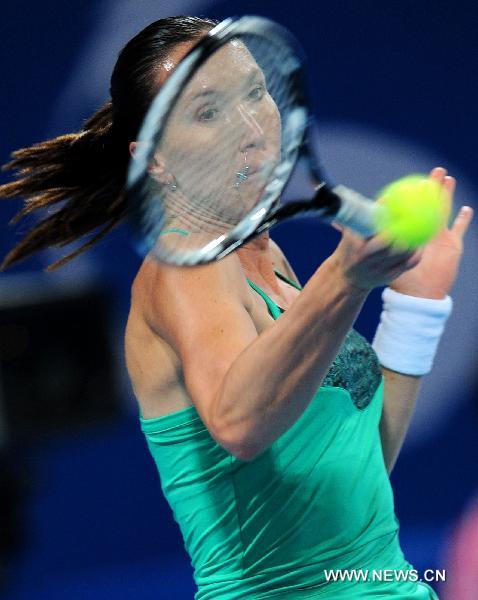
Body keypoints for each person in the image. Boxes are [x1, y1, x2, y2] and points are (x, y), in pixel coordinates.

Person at [0, 16, 473, 599]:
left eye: (255, 93)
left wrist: (414, 304)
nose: (251, 127)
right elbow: (240, 422)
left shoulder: (269, 263)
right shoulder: (186, 266)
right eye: (208, 112)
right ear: (156, 160)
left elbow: (358, 474)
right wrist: (345, 280)